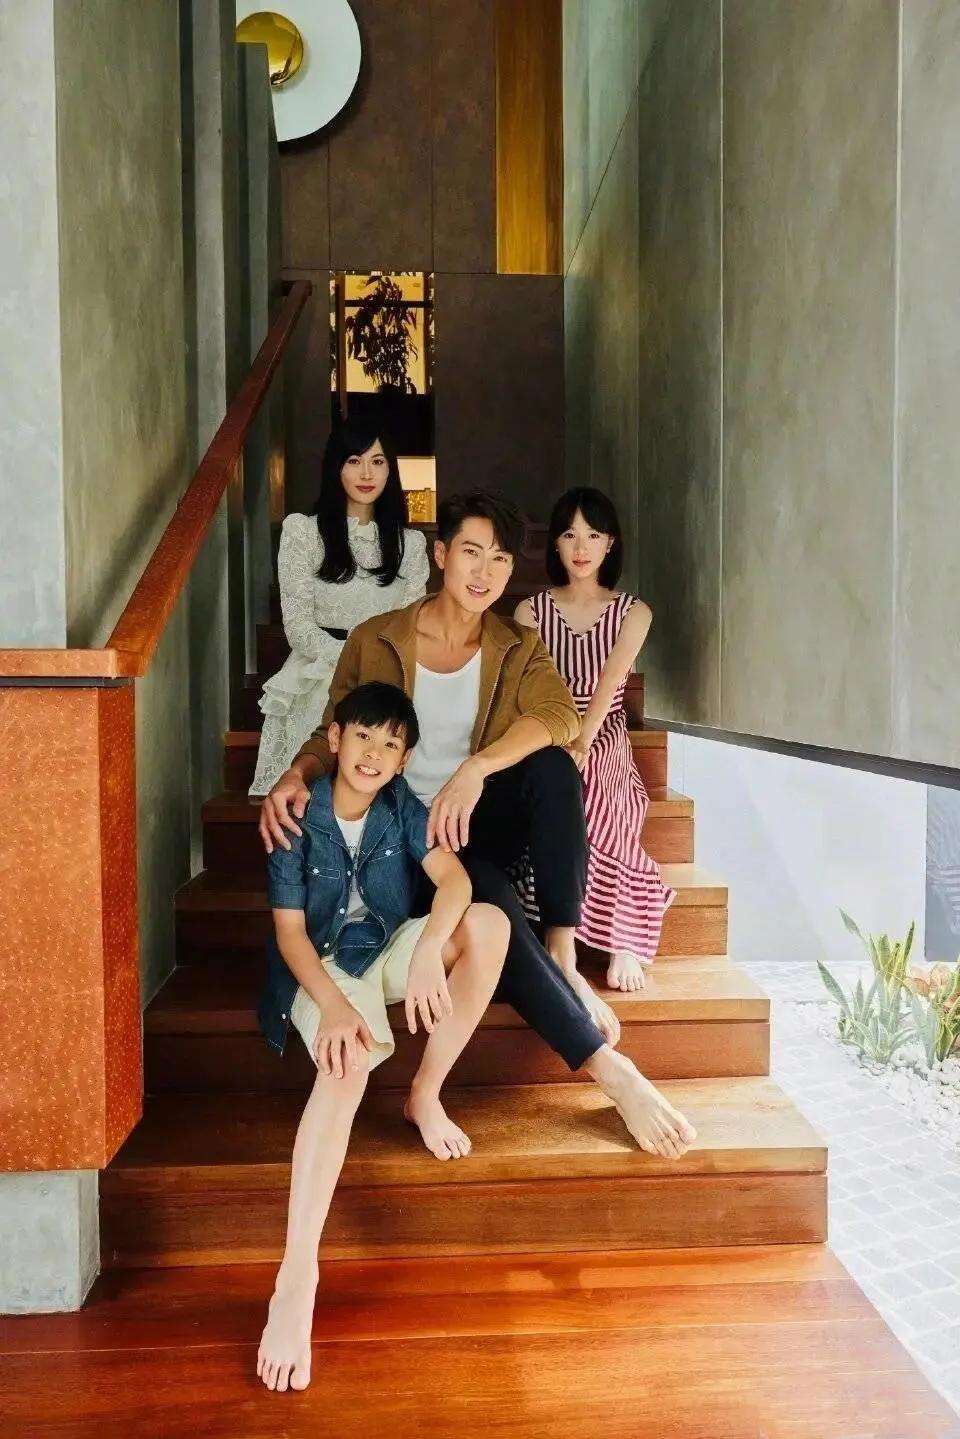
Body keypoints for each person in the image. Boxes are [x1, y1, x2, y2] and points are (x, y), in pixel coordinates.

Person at [259, 490, 696, 1166]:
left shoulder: (515, 644)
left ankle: (561, 949)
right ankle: (609, 1069)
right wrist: (296, 773)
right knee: (485, 891)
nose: (484, 571)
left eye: (499, 558)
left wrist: (476, 768)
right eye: (471, 551)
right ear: (441, 554)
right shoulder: (378, 638)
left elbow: (560, 715)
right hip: (404, 840)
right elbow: (332, 732)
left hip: (474, 818)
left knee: (552, 766)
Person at [256, 680, 508, 1393]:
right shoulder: (297, 814)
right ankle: (296, 1278)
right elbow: (290, 936)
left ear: (404, 760)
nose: (373, 753)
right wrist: (336, 1007)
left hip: (386, 948)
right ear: (335, 739)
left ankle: (425, 1094)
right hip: (322, 969)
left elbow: (454, 883)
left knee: (488, 924)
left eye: (391, 744)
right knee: (345, 1065)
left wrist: (427, 950)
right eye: (363, 736)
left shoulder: (400, 806)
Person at [514, 487, 677, 994]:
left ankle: (622, 936)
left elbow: (610, 684)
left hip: (601, 728)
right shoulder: (530, 611)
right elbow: (529, 690)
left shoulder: (634, 612)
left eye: (592, 535)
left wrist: (583, 743)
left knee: (603, 786)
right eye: (569, 535)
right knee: (545, 781)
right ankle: (549, 921)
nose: (580, 547)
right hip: (548, 725)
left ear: (611, 543)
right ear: (555, 545)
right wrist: (559, 741)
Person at [249, 420, 429, 796]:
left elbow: (410, 626)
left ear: (390, 470)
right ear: (336, 466)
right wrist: (352, 661)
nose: (367, 474)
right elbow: (297, 625)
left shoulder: (409, 545)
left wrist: (374, 666)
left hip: (386, 673)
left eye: (377, 462)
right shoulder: (303, 532)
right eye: (354, 461)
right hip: (318, 671)